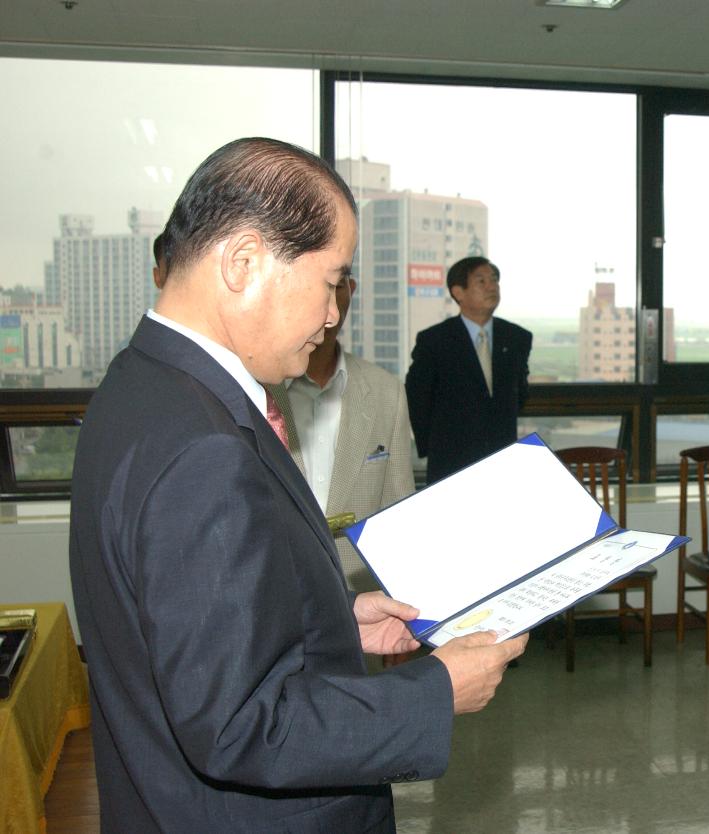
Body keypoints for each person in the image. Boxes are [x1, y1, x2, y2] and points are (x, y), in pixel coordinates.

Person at [69, 137, 527, 833]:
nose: (333, 316)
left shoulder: (141, 386)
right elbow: (238, 727)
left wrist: (335, 622)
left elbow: (188, 633)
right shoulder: (203, 448)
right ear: (244, 263)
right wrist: (435, 691)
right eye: (329, 281)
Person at [270, 271, 415, 594]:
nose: (327, 302)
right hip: (277, 594)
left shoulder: (385, 390)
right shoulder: (257, 388)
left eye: (337, 285)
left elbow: (399, 507)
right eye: (314, 284)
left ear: (351, 290)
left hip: (364, 596)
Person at [405, 256, 532, 485]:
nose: (491, 286)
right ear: (458, 292)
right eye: (481, 281)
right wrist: (431, 449)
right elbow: (417, 398)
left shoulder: (517, 338)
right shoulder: (434, 341)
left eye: (494, 280)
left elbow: (519, 394)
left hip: (502, 462)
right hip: (451, 462)